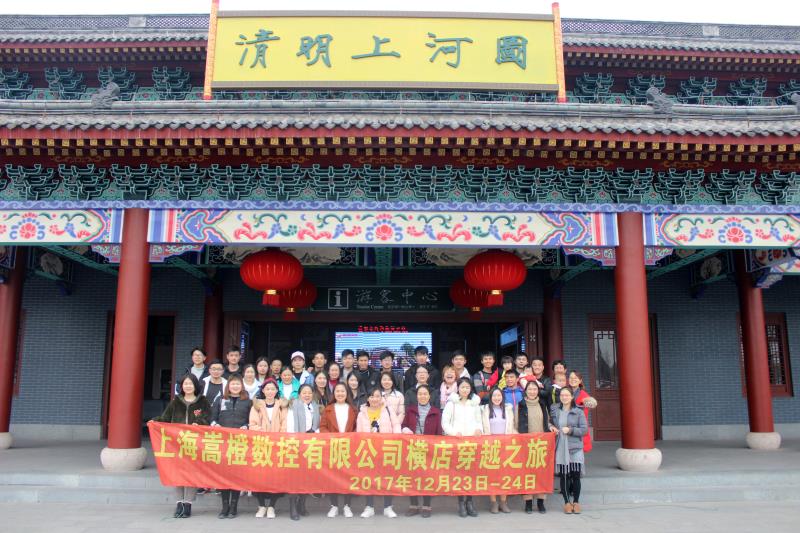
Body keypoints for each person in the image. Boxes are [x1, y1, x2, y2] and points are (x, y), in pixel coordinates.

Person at [153, 373, 211, 519]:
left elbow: (208, 419)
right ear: (181, 386)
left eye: (190, 383)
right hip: (176, 444)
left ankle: (188, 504)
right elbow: (165, 418)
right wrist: (154, 421)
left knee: (192, 474)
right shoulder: (175, 402)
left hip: (194, 444)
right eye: (185, 384)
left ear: (195, 386)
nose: (188, 386)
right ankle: (179, 503)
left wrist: (200, 423)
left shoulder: (203, 401)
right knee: (178, 474)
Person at [210, 374, 252, 519]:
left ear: (242, 386)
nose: (235, 386)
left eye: (238, 384)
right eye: (233, 384)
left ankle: (233, 506)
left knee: (236, 475)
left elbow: (251, 420)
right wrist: (215, 424)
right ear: (228, 386)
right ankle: (224, 507)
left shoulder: (247, 401)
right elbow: (212, 417)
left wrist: (246, 426)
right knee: (223, 474)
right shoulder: (220, 399)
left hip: (240, 443)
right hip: (223, 442)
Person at [356, 387, 401, 518]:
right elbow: (359, 432)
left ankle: (388, 507)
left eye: (377, 396)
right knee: (368, 479)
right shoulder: (361, 413)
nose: (374, 399)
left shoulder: (388, 410)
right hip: (368, 450)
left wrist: (396, 441)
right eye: (372, 396)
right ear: (367, 398)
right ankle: (369, 507)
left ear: (381, 398)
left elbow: (396, 425)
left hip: (386, 449)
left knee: (387, 478)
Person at [441, 378, 482, 518]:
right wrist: (454, 433)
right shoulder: (451, 403)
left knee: (471, 473)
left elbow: (479, 420)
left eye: (467, 387)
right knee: (459, 474)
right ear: (458, 388)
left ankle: (470, 502)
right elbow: (445, 422)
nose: (465, 390)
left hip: (472, 443)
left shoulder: (475, 403)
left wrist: (479, 429)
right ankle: (461, 503)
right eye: (462, 387)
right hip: (457, 442)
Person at [401, 385, 441, 518]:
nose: (422, 396)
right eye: (420, 394)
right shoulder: (411, 410)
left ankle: (426, 505)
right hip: (412, 448)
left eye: (425, 394)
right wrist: (406, 430)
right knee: (412, 477)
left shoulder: (436, 412)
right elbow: (404, 425)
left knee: (427, 477)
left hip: (429, 450)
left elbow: (439, 432)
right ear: (416, 396)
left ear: (429, 396)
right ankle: (413, 505)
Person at [249, 379, 287, 519]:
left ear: (277, 391)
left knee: (275, 477)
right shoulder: (257, 406)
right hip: (261, 445)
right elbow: (252, 425)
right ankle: (261, 506)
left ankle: (271, 506)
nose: (270, 391)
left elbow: (284, 424)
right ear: (263, 391)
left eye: (273, 389)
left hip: (277, 445)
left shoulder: (282, 405)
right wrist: (265, 434)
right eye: (267, 389)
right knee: (259, 477)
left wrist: (277, 438)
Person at [320, 382, 358, 518]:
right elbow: (322, 427)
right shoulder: (328, 409)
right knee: (333, 478)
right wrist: (332, 438)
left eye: (343, 391)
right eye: (337, 391)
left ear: (347, 393)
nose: (340, 394)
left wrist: (351, 438)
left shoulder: (353, 409)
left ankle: (347, 506)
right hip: (333, 447)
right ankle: (334, 506)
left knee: (348, 477)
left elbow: (356, 427)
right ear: (334, 394)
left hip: (348, 447)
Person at [550, 386, 588, 515]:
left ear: (572, 397)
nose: (564, 397)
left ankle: (576, 502)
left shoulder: (578, 412)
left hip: (575, 447)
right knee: (564, 476)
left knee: (575, 475)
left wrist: (570, 430)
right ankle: (567, 502)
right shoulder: (555, 410)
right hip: (561, 446)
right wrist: (551, 427)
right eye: (562, 395)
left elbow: (584, 430)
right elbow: (549, 422)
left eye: (567, 395)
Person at [286, 384, 320, 520]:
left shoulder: (315, 407)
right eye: (304, 393)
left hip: (311, 444)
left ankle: (302, 504)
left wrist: (315, 432)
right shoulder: (293, 406)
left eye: (309, 393)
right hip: (297, 444)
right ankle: (293, 507)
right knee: (294, 477)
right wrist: (296, 441)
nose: (307, 395)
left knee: (307, 476)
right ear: (299, 394)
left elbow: (318, 425)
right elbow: (290, 427)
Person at [517, 381, 551, 514]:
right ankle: (528, 502)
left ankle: (541, 502)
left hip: (541, 444)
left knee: (541, 473)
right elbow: (515, 423)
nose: (532, 391)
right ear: (525, 391)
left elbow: (547, 421)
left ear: (538, 391)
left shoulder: (542, 404)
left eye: (534, 389)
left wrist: (551, 428)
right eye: (530, 389)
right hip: (525, 444)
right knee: (527, 474)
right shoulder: (520, 405)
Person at [481, 387, 515, 514]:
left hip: (505, 446)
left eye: (499, 395)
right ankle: (493, 502)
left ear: (502, 397)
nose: (497, 398)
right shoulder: (485, 410)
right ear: (490, 398)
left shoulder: (508, 409)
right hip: (491, 446)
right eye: (494, 396)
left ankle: (503, 501)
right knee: (492, 475)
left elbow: (512, 427)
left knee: (505, 474)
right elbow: (483, 428)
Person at [568, 371, 598, 453]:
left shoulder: (583, 395)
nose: (573, 379)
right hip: (567, 428)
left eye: (575, 378)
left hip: (578, 428)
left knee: (577, 455)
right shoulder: (565, 392)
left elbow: (590, 405)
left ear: (580, 380)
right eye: (571, 378)